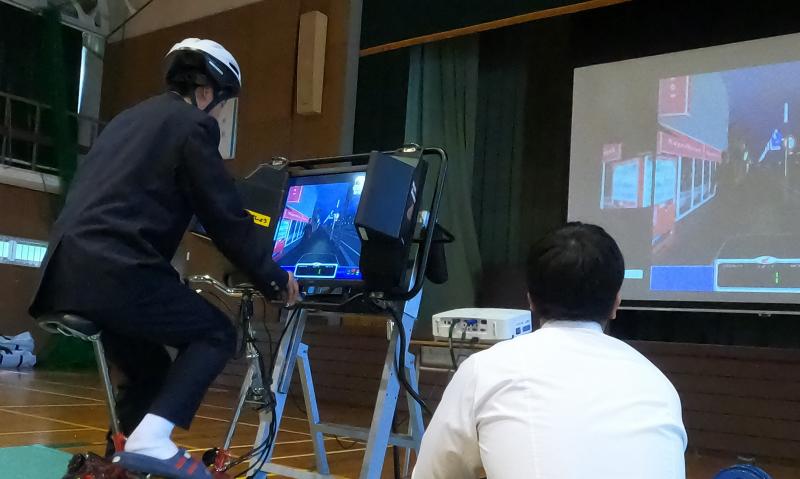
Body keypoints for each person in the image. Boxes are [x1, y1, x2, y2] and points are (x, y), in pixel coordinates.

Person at [29, 38, 299, 478]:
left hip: (66, 273)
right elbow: (225, 217)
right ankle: (152, 441)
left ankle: (122, 466)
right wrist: (273, 278)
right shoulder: (193, 126)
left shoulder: (126, 122)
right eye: (222, 104)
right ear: (208, 92)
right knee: (215, 333)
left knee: (150, 370)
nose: (218, 113)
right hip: (116, 272)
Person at [413, 222, 687, 478]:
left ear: (530, 300)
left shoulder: (484, 370)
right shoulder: (658, 385)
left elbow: (432, 473)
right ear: (616, 304)